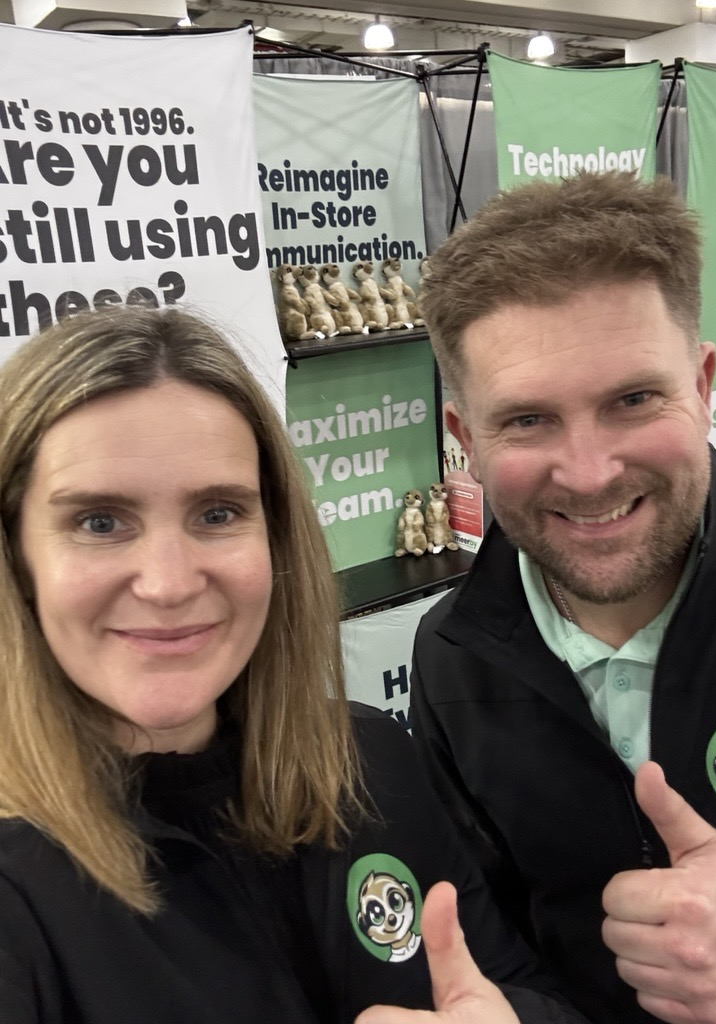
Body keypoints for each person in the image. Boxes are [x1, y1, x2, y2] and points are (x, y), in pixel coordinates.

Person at [0, 303, 592, 1024]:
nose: (169, 581)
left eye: (218, 513)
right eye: (99, 522)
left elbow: (524, 988)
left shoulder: (368, 758)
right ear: (18, 557)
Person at [410, 170, 716, 1024]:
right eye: (528, 420)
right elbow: (499, 944)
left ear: (703, 384)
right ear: (465, 437)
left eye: (633, 399)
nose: (590, 473)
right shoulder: (452, 655)